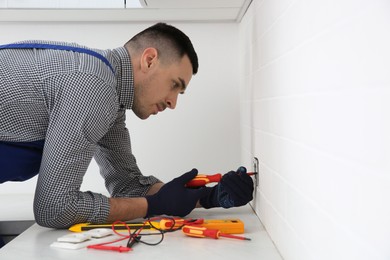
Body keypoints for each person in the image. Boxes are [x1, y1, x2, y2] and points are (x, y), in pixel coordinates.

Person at [0, 23, 254, 229]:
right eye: (175, 85)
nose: (172, 102)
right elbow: (53, 208)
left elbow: (127, 185)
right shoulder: (93, 86)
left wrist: (207, 197)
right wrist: (150, 207)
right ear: (150, 59)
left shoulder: (109, 92)